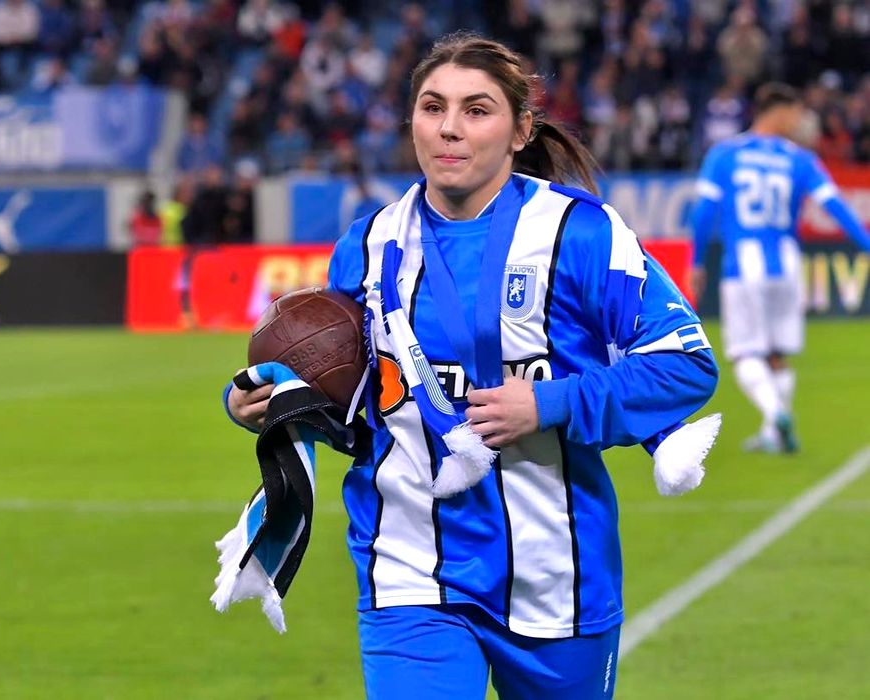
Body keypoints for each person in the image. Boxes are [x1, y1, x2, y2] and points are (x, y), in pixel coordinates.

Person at [225, 34, 718, 699]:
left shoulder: (583, 234)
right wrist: (265, 401)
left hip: (558, 574)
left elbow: (686, 365)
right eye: (432, 107)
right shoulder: (367, 246)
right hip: (408, 567)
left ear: (520, 131)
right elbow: (352, 401)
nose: (449, 127)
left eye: (476, 110)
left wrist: (549, 404)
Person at [691, 82, 870, 454]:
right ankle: (774, 431)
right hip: (787, 265)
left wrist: (697, 261)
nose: (799, 121)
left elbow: (704, 212)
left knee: (745, 353)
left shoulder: (725, 154)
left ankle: (776, 416)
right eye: (796, 114)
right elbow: (836, 207)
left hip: (744, 265)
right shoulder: (799, 159)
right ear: (777, 111)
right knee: (776, 353)